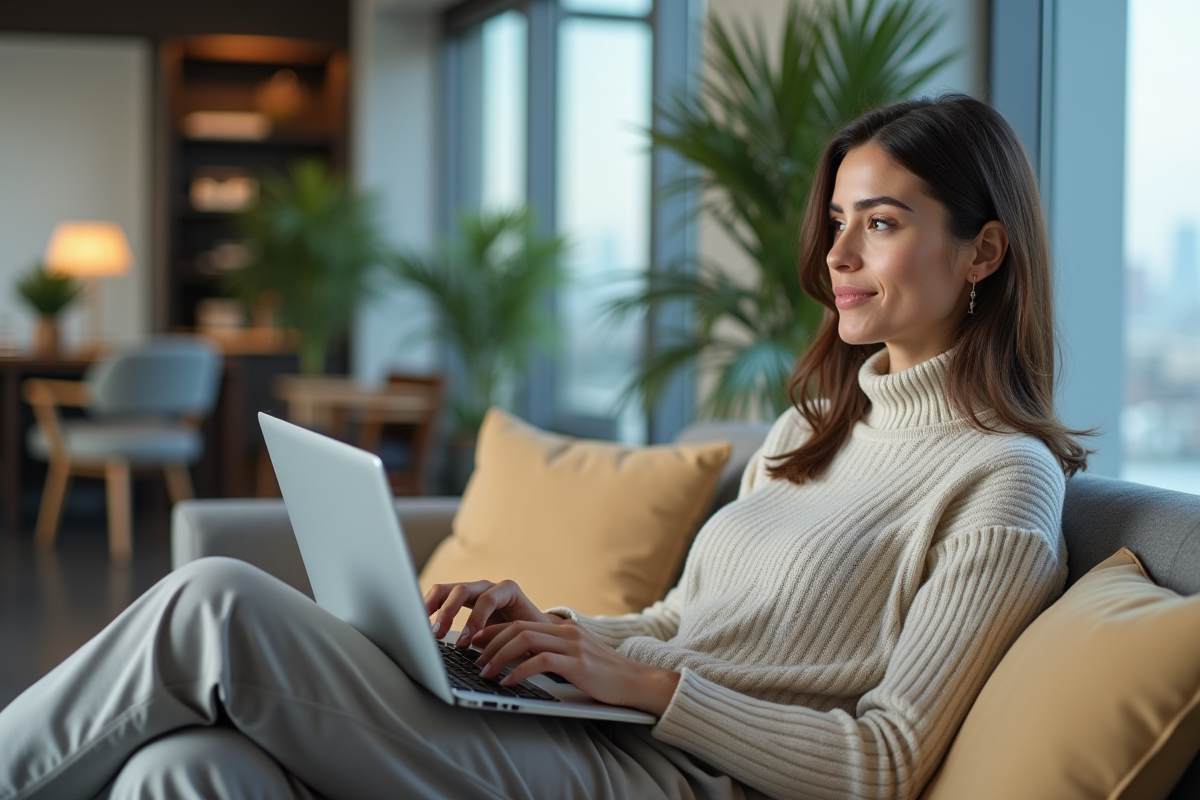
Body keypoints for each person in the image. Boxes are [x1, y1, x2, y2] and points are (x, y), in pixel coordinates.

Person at [0, 94, 1088, 800]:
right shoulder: (811, 425)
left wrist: (642, 688)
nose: (836, 255)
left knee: (216, 605)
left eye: (882, 222)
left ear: (984, 248)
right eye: (838, 218)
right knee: (194, 768)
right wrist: (559, 635)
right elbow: (681, 622)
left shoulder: (1002, 481)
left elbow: (886, 761)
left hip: (683, 774)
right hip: (616, 730)